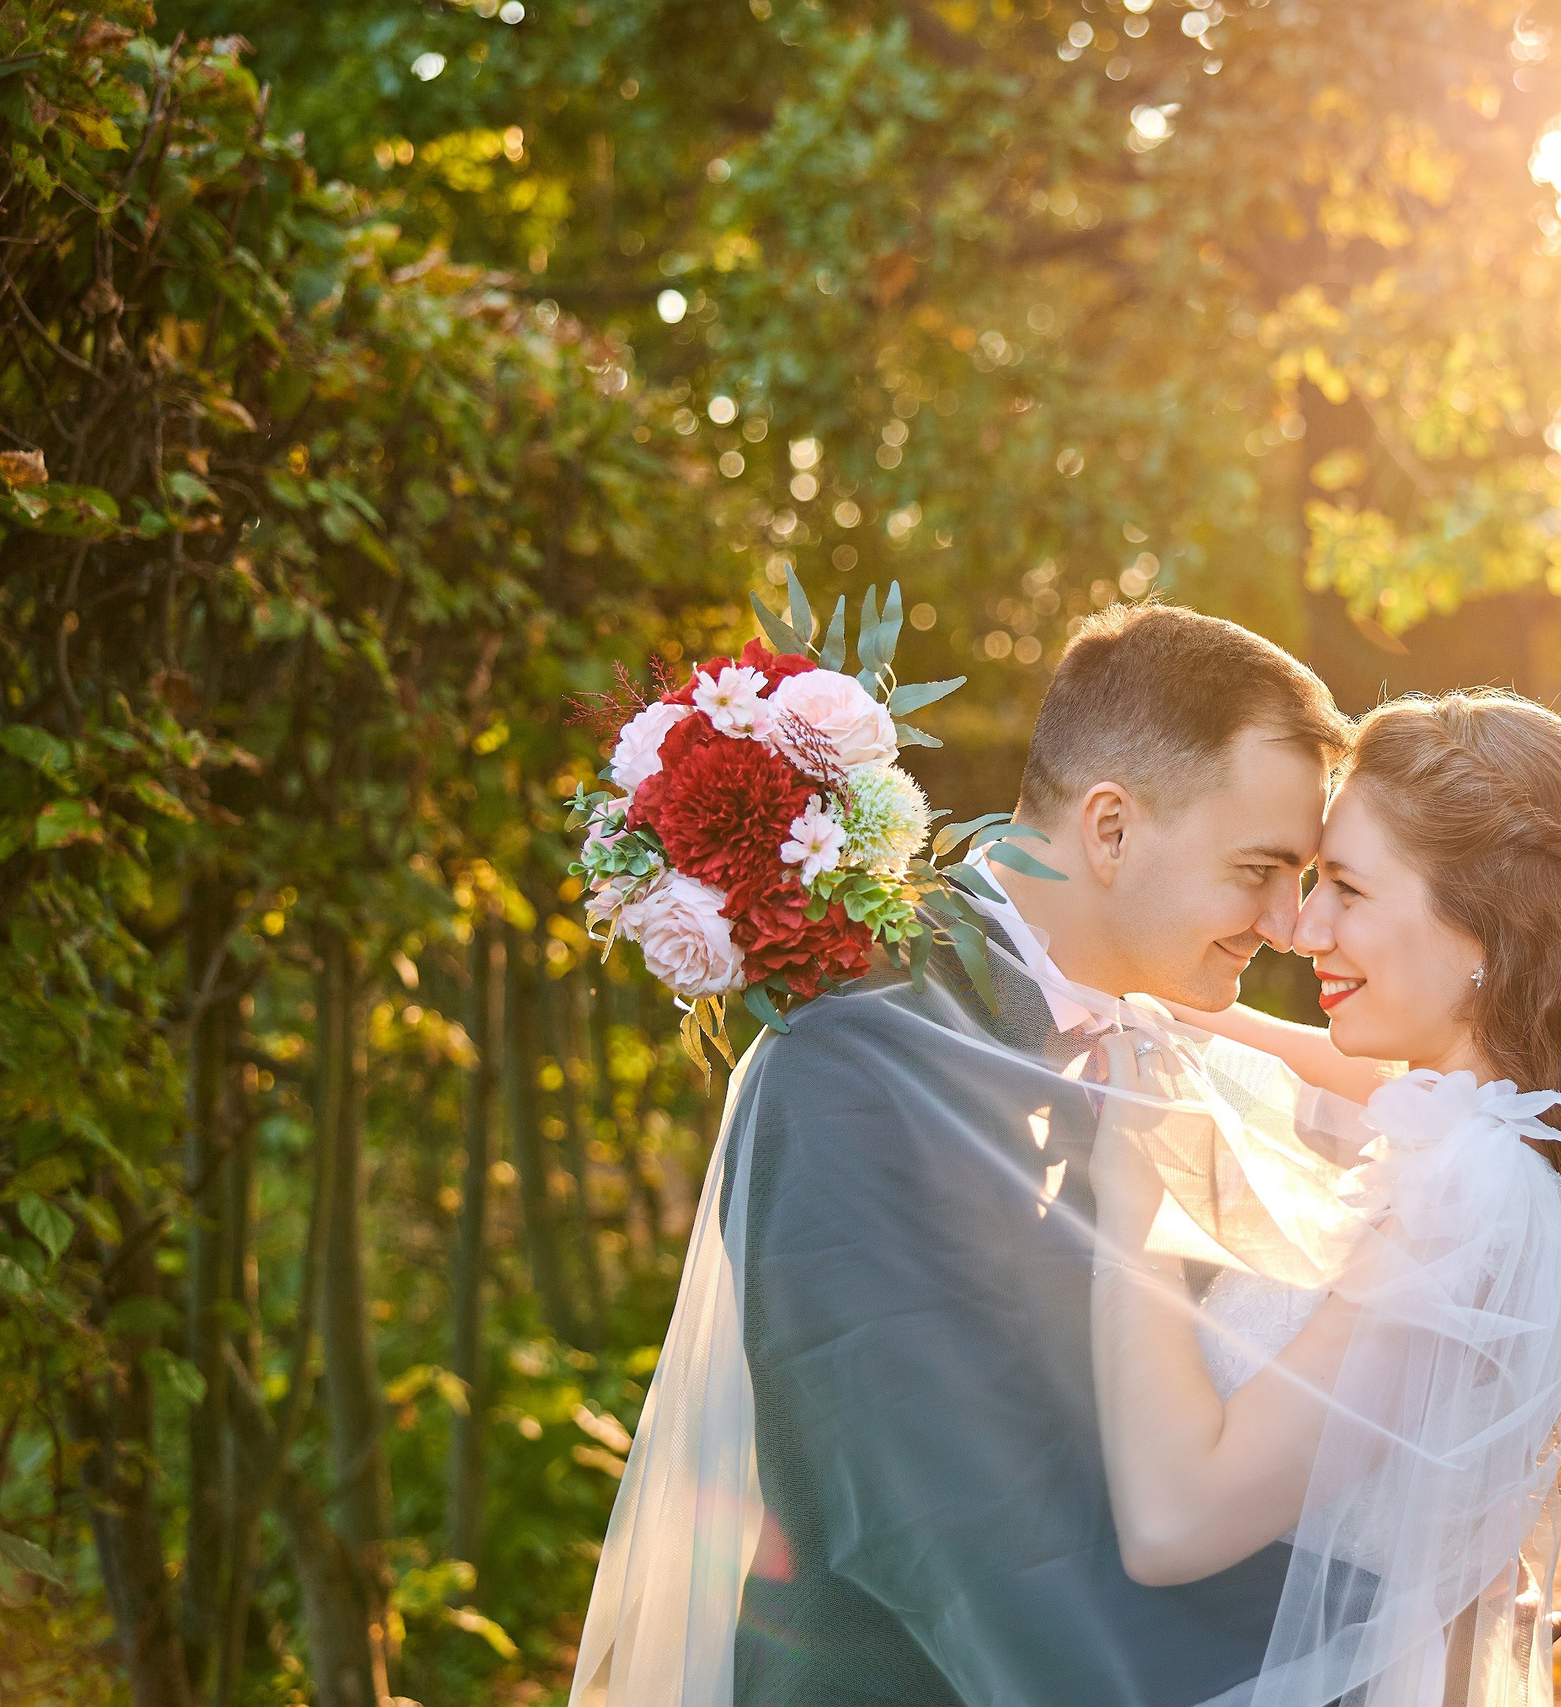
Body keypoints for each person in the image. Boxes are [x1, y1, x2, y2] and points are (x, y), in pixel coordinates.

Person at [569, 602, 1350, 1707]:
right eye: (1261, 868)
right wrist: (1355, 1663)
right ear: (1111, 828)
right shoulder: (852, 1068)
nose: (1286, 922)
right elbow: (954, 1533)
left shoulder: (1157, 1049)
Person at [1084, 690, 1561, 1706]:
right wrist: (1107, 993)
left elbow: (1178, 1524)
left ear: (1486, 933)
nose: (1300, 926)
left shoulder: (1461, 1199)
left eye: (1344, 887)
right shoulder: (1493, 1124)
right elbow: (1297, 1063)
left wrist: (1130, 1201)